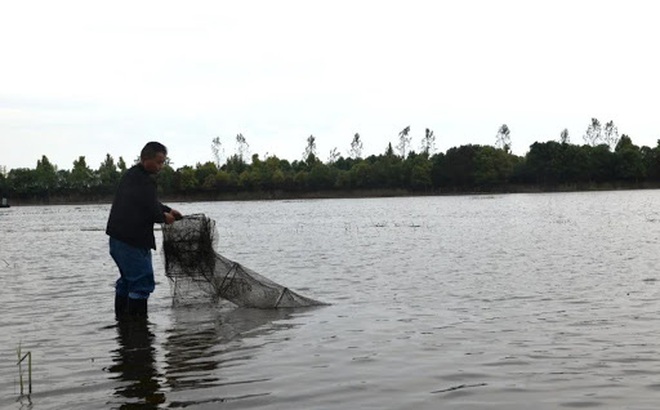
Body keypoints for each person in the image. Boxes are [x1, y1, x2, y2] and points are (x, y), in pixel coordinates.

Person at [106, 141, 182, 318]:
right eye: (158, 162)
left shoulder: (133, 176)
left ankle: (124, 327)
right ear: (145, 158)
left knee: (127, 281)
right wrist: (164, 217)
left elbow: (148, 203)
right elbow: (150, 210)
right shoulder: (143, 181)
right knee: (142, 283)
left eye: (163, 162)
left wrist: (167, 210)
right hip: (130, 242)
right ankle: (138, 329)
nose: (161, 166)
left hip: (119, 240)